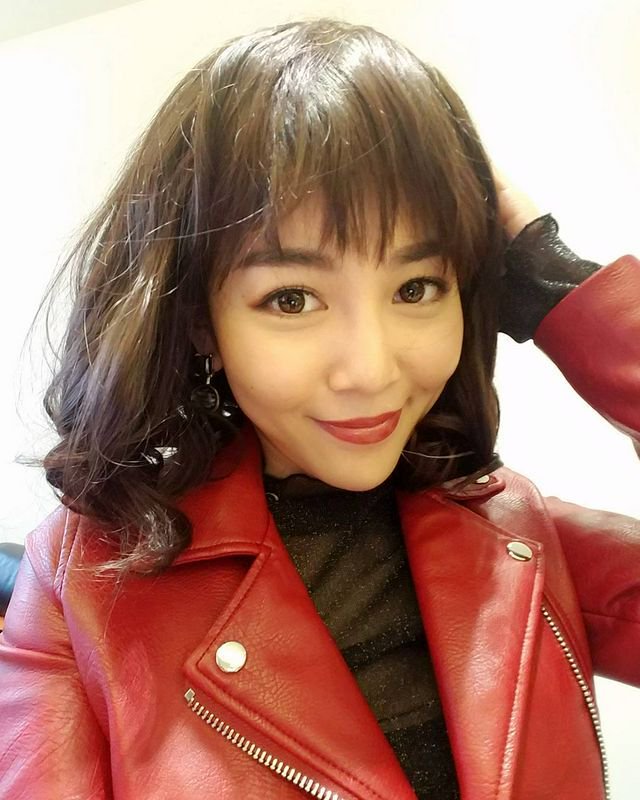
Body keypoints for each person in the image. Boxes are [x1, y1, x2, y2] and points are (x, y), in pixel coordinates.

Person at [0, 17, 638, 800]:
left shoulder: (515, 531)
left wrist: (567, 294)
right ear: (201, 321)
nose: (370, 370)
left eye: (416, 287)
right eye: (292, 299)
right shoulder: (79, 587)